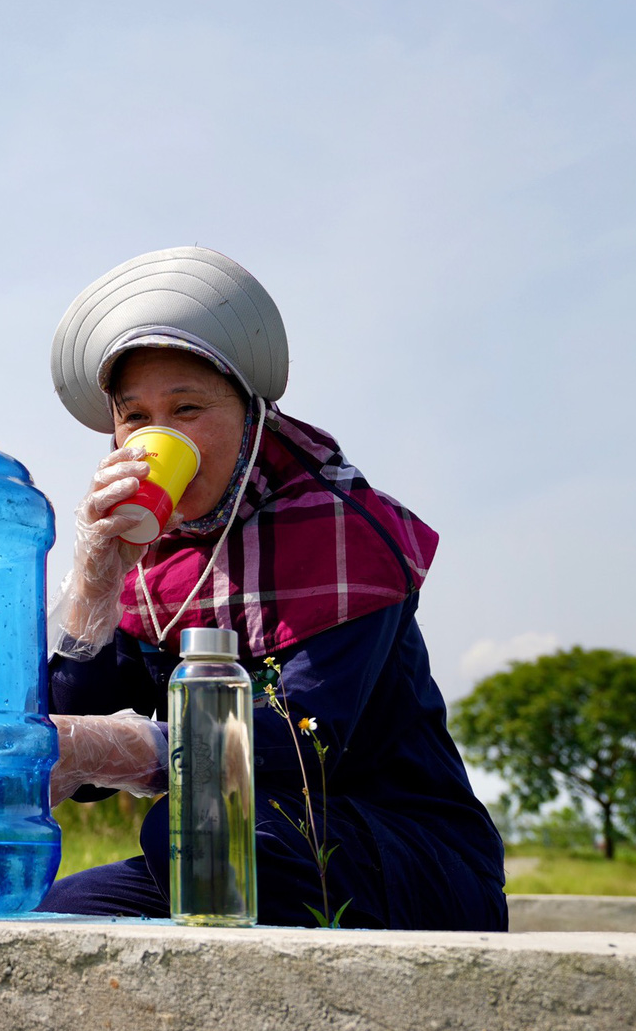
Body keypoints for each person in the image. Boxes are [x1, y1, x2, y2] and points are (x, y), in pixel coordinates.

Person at [36, 246, 505, 929]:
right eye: (135, 417)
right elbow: (70, 727)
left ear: (253, 417)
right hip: (219, 844)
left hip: (397, 847)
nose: (157, 435)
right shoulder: (155, 559)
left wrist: (133, 748)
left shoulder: (340, 530)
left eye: (187, 407)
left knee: (191, 821)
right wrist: (95, 582)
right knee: (58, 911)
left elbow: (310, 738)